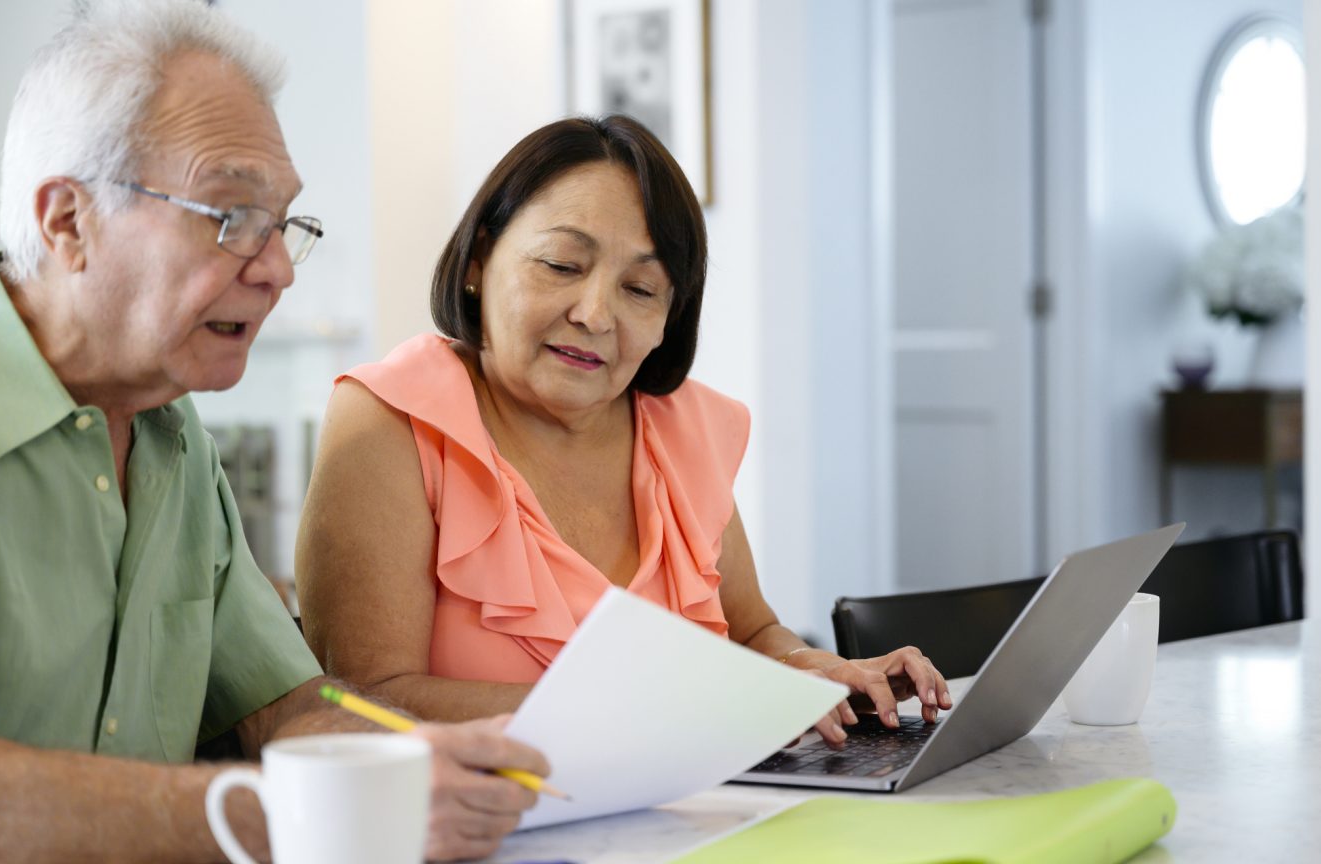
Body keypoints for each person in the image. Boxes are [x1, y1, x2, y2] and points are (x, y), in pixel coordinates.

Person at [0, 2, 546, 861]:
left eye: (281, 223)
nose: (277, 270)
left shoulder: (172, 431)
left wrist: (418, 760)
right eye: (230, 217)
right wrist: (317, 810)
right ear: (67, 221)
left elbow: (285, 707)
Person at [296, 115, 953, 748]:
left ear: (670, 317)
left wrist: (815, 670)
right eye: (561, 264)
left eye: (640, 288)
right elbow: (359, 700)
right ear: (478, 261)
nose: (595, 315)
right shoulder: (391, 420)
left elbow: (753, 634)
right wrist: (659, 710)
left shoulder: (684, 428)